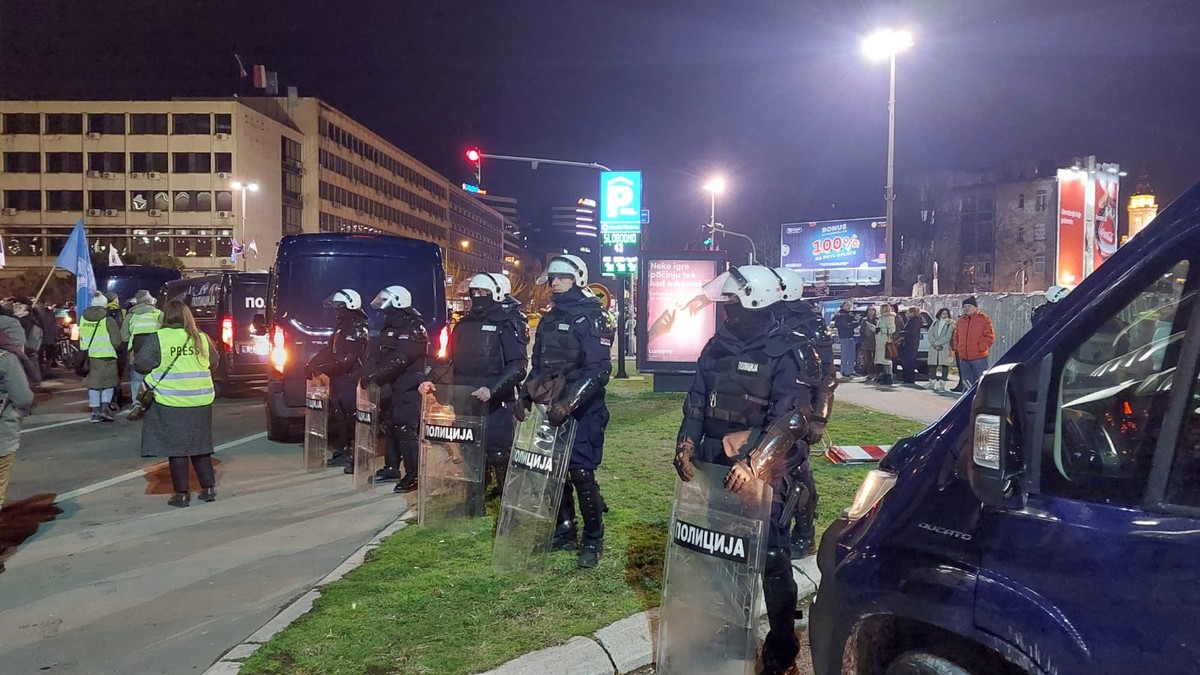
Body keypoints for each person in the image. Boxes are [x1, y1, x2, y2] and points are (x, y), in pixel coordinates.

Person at [673, 264, 819, 675]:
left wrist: (755, 463)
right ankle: (730, 628)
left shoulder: (790, 350)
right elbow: (697, 402)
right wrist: (685, 443)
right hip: (715, 468)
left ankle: (782, 645)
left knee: (771, 556)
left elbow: (790, 419)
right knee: (722, 552)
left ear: (755, 300)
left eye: (733, 301)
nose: (725, 308)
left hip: (764, 473)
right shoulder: (716, 346)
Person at [520, 254, 612, 569]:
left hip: (583, 409)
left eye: (562, 277)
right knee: (552, 472)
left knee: (580, 472)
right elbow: (540, 365)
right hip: (551, 407)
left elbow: (599, 370)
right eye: (552, 278)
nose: (554, 283)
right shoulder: (547, 319)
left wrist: (569, 403)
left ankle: (593, 538)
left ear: (578, 279)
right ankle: (564, 528)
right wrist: (525, 394)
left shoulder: (593, 316)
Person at [422, 273, 527, 497]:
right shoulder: (462, 325)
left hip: (495, 399)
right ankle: (473, 495)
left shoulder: (507, 324)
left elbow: (518, 365)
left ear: (496, 294)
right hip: (465, 397)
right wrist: (431, 379)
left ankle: (506, 494)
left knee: (497, 451)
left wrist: (493, 389)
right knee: (470, 449)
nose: (477, 297)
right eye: (475, 293)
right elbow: (448, 358)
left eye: (483, 293)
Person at [770, 267, 836, 557]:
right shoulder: (769, 316)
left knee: (797, 470)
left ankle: (805, 532)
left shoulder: (811, 323)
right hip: (774, 402)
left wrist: (819, 418)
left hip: (801, 408)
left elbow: (827, 376)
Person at [136, 300, 219, 508]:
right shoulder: (201, 338)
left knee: (177, 449)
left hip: (171, 401)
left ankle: (182, 494)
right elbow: (214, 361)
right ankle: (208, 489)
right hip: (200, 400)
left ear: (166, 316)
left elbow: (140, 364)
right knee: (201, 446)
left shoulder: (159, 338)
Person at [357, 285, 429, 493]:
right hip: (391, 384)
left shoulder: (414, 326)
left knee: (405, 428)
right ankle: (391, 467)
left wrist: (375, 376)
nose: (384, 306)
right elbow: (379, 353)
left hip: (409, 384)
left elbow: (401, 358)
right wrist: (368, 372)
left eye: (387, 301)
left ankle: (414, 474)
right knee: (391, 425)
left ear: (398, 301)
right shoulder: (389, 324)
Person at [304, 289, 369, 468]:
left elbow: (346, 359)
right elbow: (331, 350)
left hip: (350, 377)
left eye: (339, 307)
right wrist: (314, 363)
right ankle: (342, 450)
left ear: (350, 306)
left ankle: (353, 453)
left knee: (350, 416)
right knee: (340, 415)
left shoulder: (356, 328)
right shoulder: (343, 326)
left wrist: (323, 368)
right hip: (340, 378)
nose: (336, 311)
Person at [78, 293, 121, 422]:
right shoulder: (107, 319)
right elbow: (116, 340)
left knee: (94, 385)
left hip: (91, 356)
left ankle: (95, 413)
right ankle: (104, 409)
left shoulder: (83, 318)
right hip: (107, 356)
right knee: (108, 384)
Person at [122, 290, 163, 409]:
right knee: (155, 375)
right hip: (156, 351)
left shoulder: (131, 316)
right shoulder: (158, 314)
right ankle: (156, 401)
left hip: (137, 352)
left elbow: (124, 336)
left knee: (136, 378)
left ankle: (136, 403)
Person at [952, 296, 996, 390]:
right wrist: (957, 348)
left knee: (979, 382)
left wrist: (981, 347)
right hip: (964, 358)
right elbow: (956, 336)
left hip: (978, 358)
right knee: (966, 383)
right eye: (964, 307)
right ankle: (967, 402)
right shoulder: (961, 321)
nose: (966, 308)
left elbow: (990, 336)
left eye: (969, 306)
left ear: (975, 307)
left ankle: (980, 402)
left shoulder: (983, 319)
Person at [105, 292, 129, 409]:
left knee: (108, 374)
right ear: (115, 300)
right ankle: (117, 398)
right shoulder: (123, 312)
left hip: (105, 347)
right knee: (119, 374)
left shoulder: (102, 313)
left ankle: (109, 399)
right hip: (121, 348)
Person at [927, 308, 956, 392]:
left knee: (944, 365)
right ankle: (932, 382)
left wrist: (937, 343)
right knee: (933, 364)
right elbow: (930, 333)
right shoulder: (935, 322)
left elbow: (948, 337)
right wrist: (933, 342)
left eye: (946, 313)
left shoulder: (950, 324)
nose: (945, 315)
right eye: (943, 313)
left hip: (945, 347)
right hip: (934, 347)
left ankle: (942, 384)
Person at [831, 301, 859, 379]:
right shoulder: (840, 315)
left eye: (850, 305)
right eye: (847, 305)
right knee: (845, 355)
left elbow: (856, 322)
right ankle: (844, 371)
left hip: (851, 336)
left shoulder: (850, 314)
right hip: (844, 337)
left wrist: (853, 323)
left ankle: (850, 371)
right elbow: (845, 325)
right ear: (843, 306)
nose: (849, 307)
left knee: (852, 355)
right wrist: (853, 324)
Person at [873, 303, 897, 386]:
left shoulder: (889, 317)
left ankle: (889, 377)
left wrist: (881, 329)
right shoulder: (882, 318)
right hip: (880, 341)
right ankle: (885, 376)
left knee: (887, 359)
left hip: (885, 341)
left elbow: (892, 330)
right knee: (883, 360)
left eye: (881, 308)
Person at [898, 306, 922, 386]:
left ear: (912, 313)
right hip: (909, 343)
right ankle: (906, 378)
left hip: (911, 344)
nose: (907, 314)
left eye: (908, 312)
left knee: (909, 361)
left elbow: (911, 332)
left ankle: (909, 379)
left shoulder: (915, 321)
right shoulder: (911, 320)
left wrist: (903, 334)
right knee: (906, 361)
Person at [34, 300, 56, 370]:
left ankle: (45, 363)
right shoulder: (48, 313)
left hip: (45, 335)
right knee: (45, 349)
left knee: (45, 349)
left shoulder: (39, 314)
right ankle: (45, 363)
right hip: (47, 335)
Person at [858, 306, 878, 380]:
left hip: (875, 341)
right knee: (868, 358)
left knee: (875, 358)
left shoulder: (877, 320)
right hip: (867, 342)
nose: (871, 312)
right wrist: (863, 339)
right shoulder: (864, 320)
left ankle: (876, 373)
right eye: (869, 310)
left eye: (872, 310)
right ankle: (870, 373)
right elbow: (861, 330)